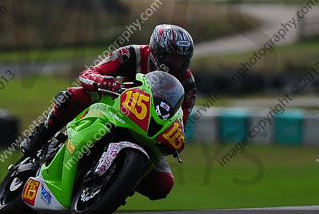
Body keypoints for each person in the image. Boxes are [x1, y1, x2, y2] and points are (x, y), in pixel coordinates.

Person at [21, 24, 196, 200]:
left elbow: (180, 119)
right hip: (114, 103)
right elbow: (88, 73)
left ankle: (116, 183)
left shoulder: (187, 84)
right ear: (156, 51)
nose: (176, 65)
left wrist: (175, 139)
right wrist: (104, 81)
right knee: (72, 96)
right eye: (171, 58)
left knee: (164, 184)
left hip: (148, 127)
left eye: (182, 60)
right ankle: (42, 132)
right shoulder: (131, 54)